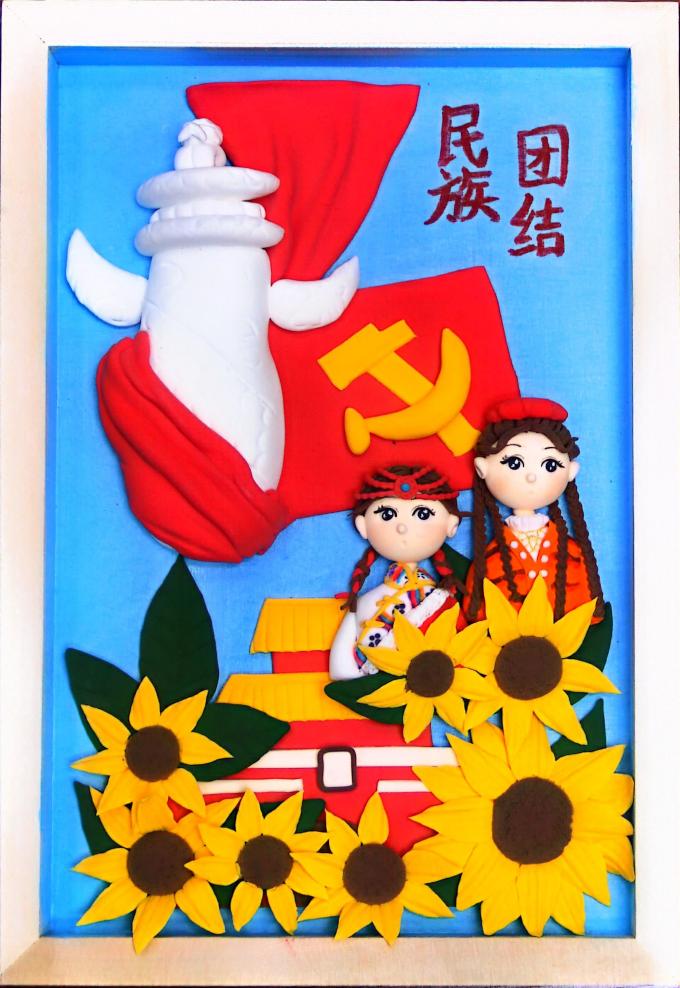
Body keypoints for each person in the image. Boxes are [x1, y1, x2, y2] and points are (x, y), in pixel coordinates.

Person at [465, 397, 604, 623]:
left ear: (571, 472)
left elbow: (588, 608)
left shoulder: (573, 554)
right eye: (514, 463)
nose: (531, 476)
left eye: (550, 465)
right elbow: (477, 617)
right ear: (482, 468)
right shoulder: (489, 559)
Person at [329, 465, 464, 680]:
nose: (402, 527)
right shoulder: (362, 602)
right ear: (363, 526)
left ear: (451, 525)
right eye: (388, 514)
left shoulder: (440, 600)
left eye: (422, 514)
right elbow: (341, 671)